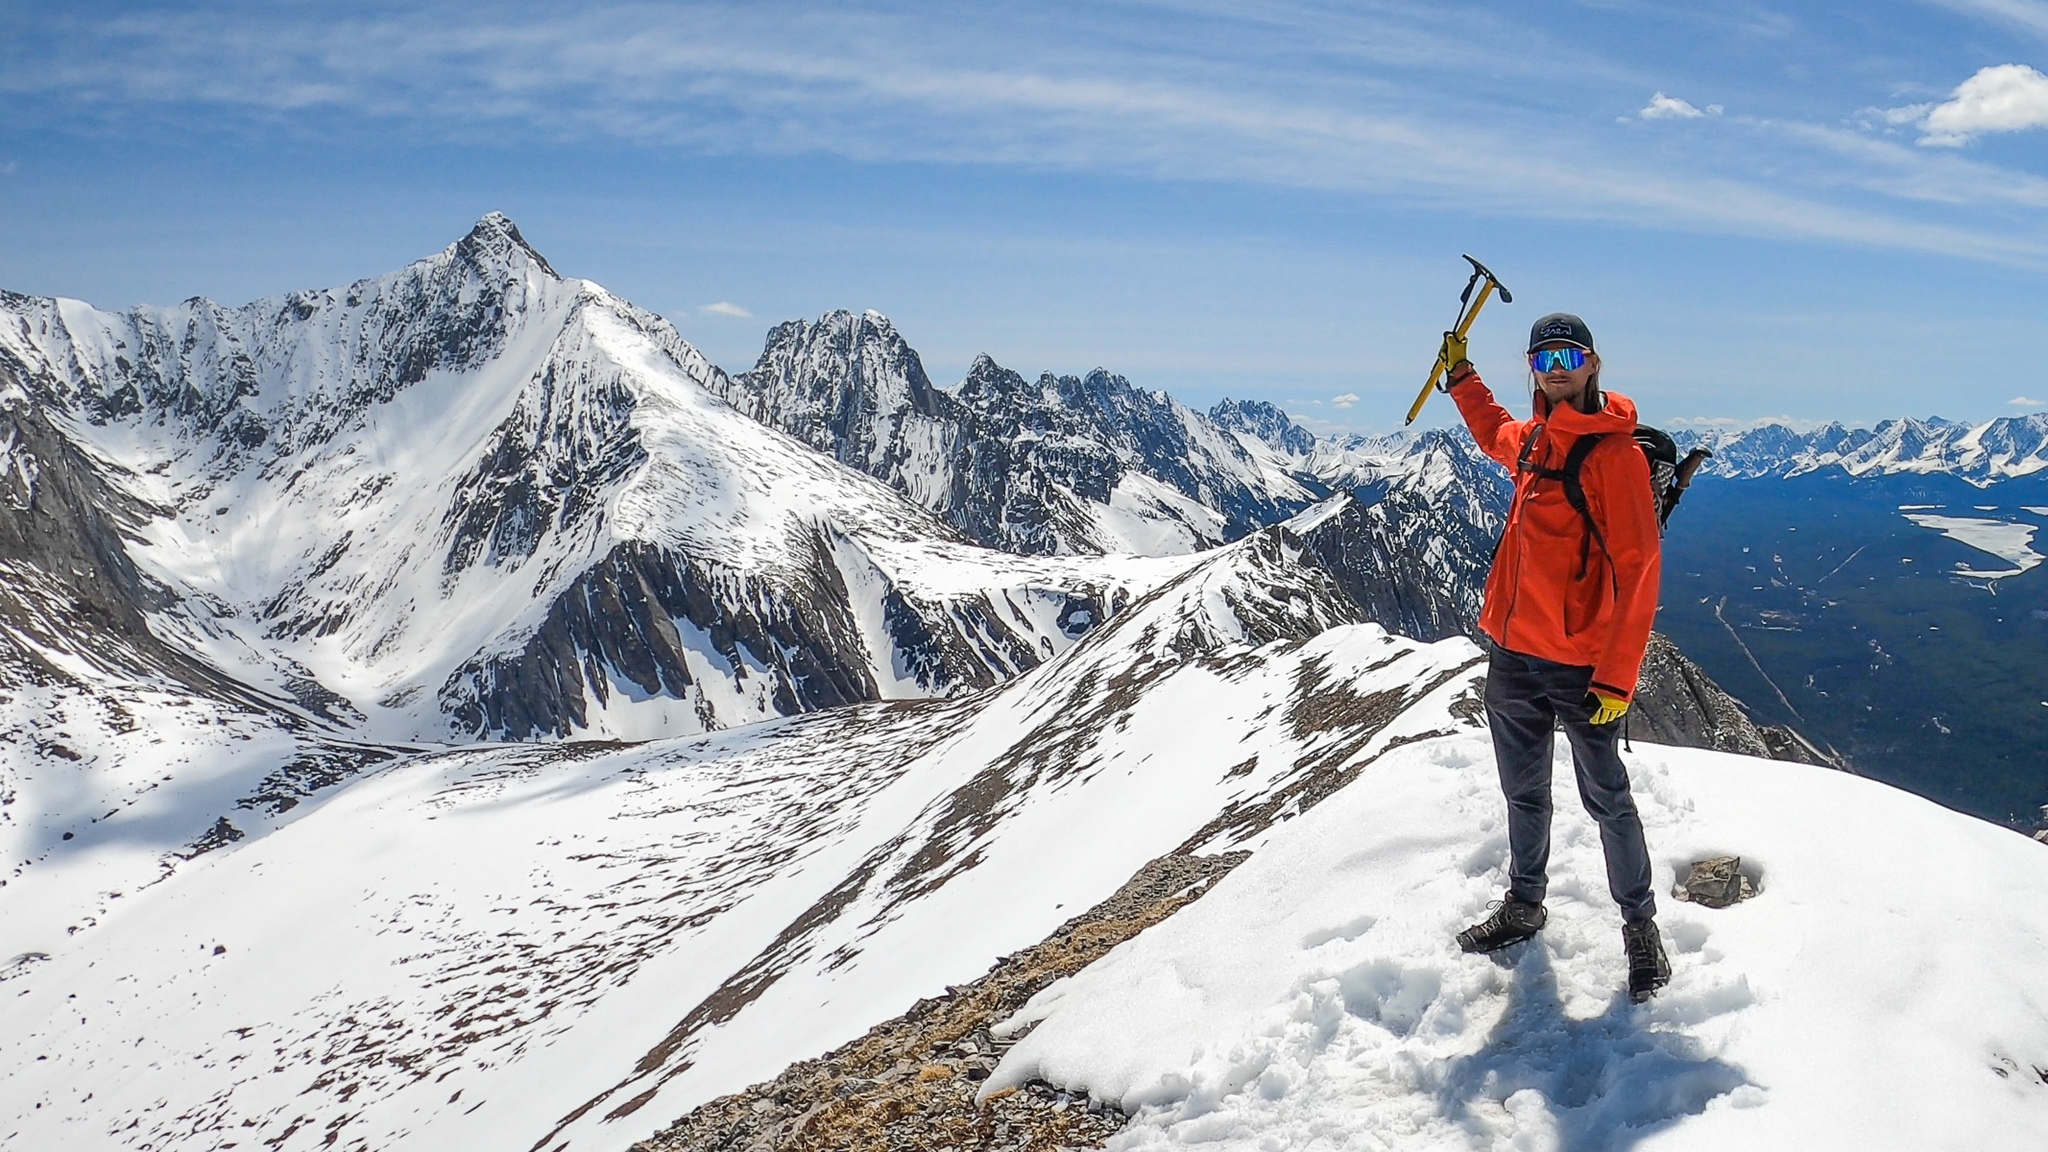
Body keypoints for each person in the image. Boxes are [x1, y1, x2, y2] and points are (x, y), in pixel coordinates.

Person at [1439, 311, 1671, 1003]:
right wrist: (1461, 377)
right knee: (1524, 792)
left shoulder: (1615, 457)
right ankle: (1524, 905)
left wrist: (1617, 678)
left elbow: (1641, 571)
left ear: (1594, 363)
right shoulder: (1537, 442)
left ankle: (1641, 931)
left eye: (1569, 355)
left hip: (1578, 665)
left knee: (1608, 800)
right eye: (1544, 360)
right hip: (1512, 654)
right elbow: (1492, 433)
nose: (1557, 368)